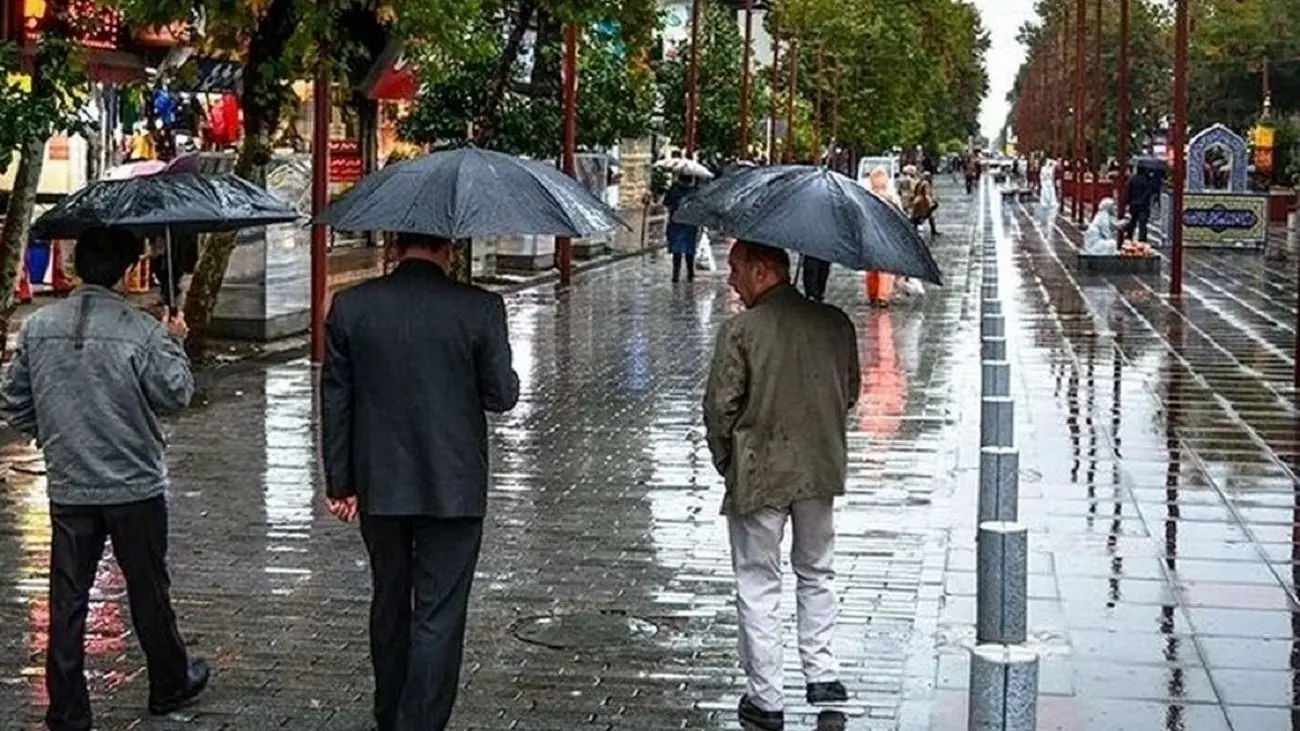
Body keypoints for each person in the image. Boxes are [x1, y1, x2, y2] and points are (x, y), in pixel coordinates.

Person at [0, 227, 208, 731]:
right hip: (134, 483)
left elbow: (14, 403)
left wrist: (56, 432)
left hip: (70, 482)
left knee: (68, 598)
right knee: (148, 588)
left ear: (77, 267)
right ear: (123, 269)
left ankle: (68, 708)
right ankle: (169, 681)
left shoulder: (39, 327)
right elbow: (176, 395)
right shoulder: (142, 331)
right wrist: (176, 342)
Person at [321, 233, 520, 731]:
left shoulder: (352, 307)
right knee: (439, 614)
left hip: (379, 483)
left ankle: (389, 714)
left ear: (392, 245)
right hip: (453, 487)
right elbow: (501, 397)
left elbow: (335, 401)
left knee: (389, 601)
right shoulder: (480, 308)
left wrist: (339, 482)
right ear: (448, 249)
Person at [704, 241, 860, 731]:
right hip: (820, 469)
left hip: (759, 472)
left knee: (757, 582)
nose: (731, 279)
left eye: (735, 269)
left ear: (763, 271)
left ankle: (766, 698)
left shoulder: (741, 331)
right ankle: (823, 673)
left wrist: (727, 461)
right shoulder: (836, 323)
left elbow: (719, 410)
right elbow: (850, 392)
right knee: (817, 570)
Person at [865, 167, 902, 307]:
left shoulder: (867, 196)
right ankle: (883, 296)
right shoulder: (892, 197)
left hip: (871, 236)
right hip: (887, 237)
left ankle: (873, 294)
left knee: (872, 268)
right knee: (886, 269)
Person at [663, 174, 702, 282]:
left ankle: (676, 273)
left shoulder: (674, 190)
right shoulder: (695, 191)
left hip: (676, 222)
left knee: (677, 248)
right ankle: (690, 272)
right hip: (690, 222)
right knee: (689, 248)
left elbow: (666, 202)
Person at [1126, 168, 1158, 242]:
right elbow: (1150, 191)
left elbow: (1128, 191)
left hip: (1133, 204)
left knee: (1131, 224)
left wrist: (1128, 202)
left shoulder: (1132, 179)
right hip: (1143, 205)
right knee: (1142, 225)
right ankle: (1142, 241)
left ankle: (1128, 239)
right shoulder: (1147, 180)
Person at [911, 172, 939, 237]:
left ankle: (932, 230)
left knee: (921, 215)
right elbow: (925, 192)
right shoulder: (925, 183)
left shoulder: (920, 182)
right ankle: (933, 231)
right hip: (923, 201)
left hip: (920, 200)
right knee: (925, 215)